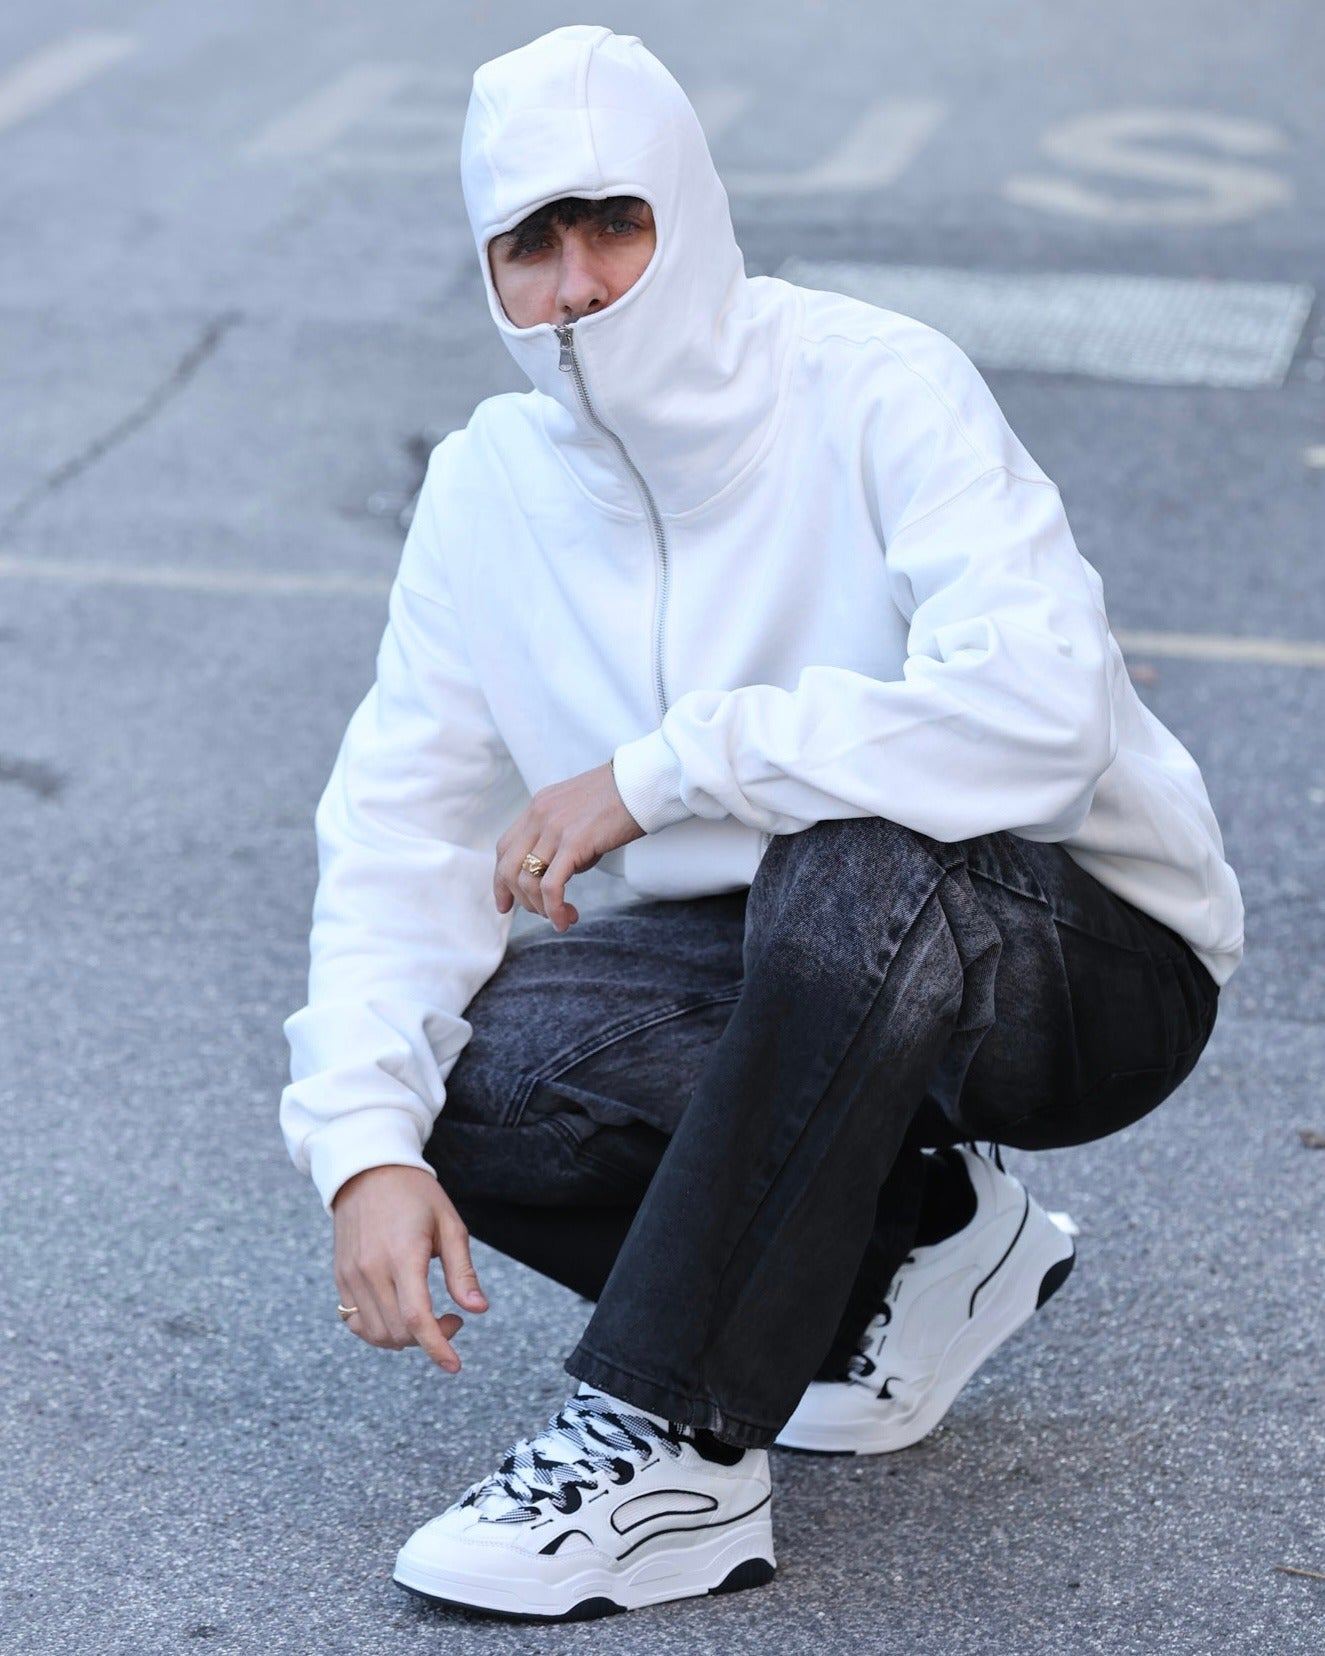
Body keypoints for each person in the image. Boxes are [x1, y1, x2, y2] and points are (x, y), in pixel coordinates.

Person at [279, 24, 1243, 1623]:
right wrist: (362, 1151)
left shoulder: (873, 384)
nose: (578, 285)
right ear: (489, 270)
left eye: (615, 225)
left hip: (1081, 964)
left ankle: (670, 1447)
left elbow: (1044, 710)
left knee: (849, 859)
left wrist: (669, 770)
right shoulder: (485, 492)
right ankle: (921, 1247)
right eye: (531, 246)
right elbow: (401, 831)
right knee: (468, 1077)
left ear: (690, 214)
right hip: (799, 976)